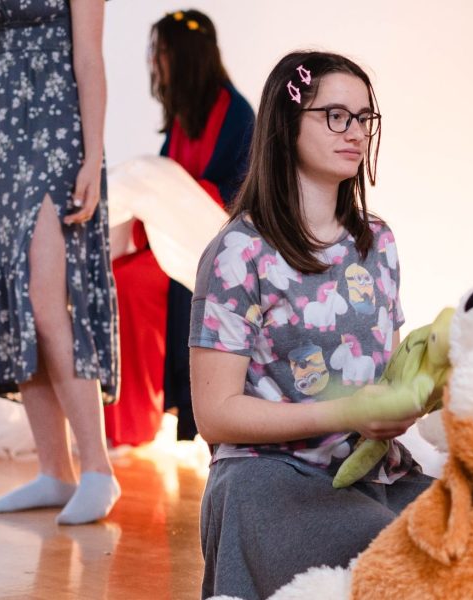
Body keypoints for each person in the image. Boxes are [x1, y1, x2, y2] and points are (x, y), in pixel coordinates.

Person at [190, 51, 428, 599]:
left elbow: (388, 375)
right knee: (400, 560)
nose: (356, 132)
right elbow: (215, 415)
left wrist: (418, 393)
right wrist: (346, 413)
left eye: (364, 118)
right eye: (336, 116)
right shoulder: (238, 251)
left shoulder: (378, 240)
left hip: (374, 474)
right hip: (269, 479)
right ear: (287, 123)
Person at [0, 0, 120, 526]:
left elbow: (89, 57)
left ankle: (98, 469)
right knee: (14, 300)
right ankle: (54, 470)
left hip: (58, 126)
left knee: (47, 302)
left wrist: (93, 155)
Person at [105, 8, 255, 447]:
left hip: (212, 251)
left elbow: (233, 196)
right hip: (173, 244)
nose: (153, 61)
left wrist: (174, 197)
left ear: (186, 55)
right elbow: (162, 187)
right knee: (115, 276)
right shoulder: (184, 117)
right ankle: (123, 423)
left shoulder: (236, 115)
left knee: (130, 283)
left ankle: (139, 422)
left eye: (161, 51)